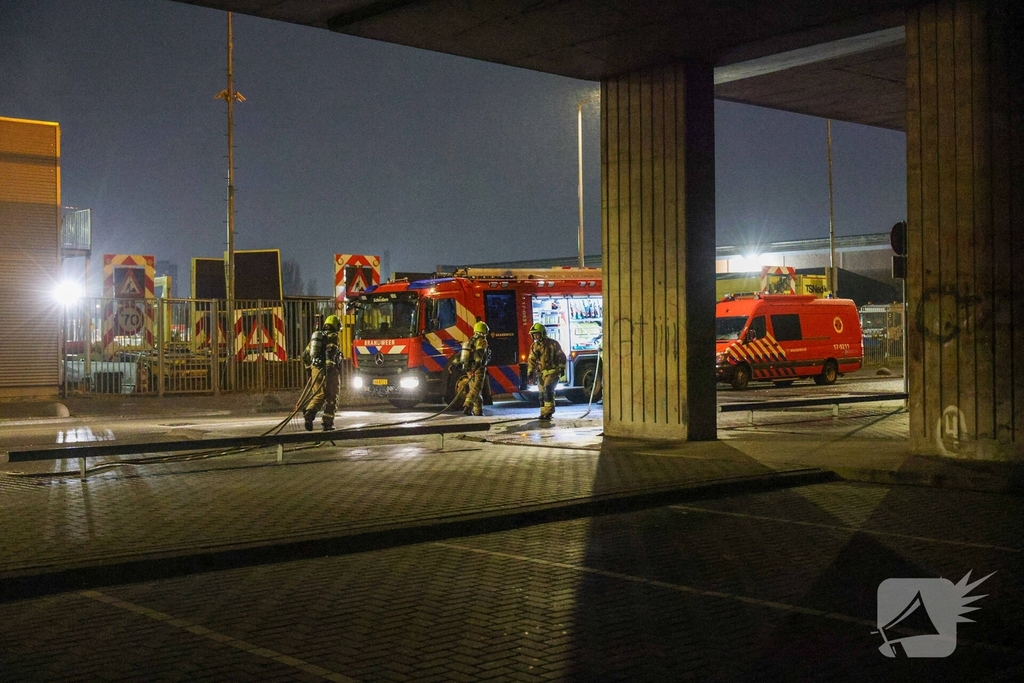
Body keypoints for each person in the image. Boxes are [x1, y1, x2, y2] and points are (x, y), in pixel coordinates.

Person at [301, 314, 342, 431]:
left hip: (315, 370)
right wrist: (329, 366)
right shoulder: (333, 336)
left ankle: (309, 413)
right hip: (329, 372)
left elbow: (305, 355)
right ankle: (327, 423)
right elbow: (331, 350)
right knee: (332, 396)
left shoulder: (316, 337)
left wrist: (309, 370)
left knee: (318, 394)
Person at [527, 322, 566, 421]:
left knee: (548, 389)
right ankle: (543, 412)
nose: (535, 336)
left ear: (542, 333)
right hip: (542, 373)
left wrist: (561, 368)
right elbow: (531, 359)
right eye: (534, 334)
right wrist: (530, 372)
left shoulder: (553, 344)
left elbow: (561, 356)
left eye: (537, 334)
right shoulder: (534, 346)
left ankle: (549, 412)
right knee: (541, 394)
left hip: (552, 372)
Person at [459, 320, 491, 416]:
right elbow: (479, 355)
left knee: (475, 389)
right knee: (476, 388)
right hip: (478, 369)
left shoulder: (471, 340)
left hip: (469, 368)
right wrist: (476, 367)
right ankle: (467, 406)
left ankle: (478, 411)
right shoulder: (482, 341)